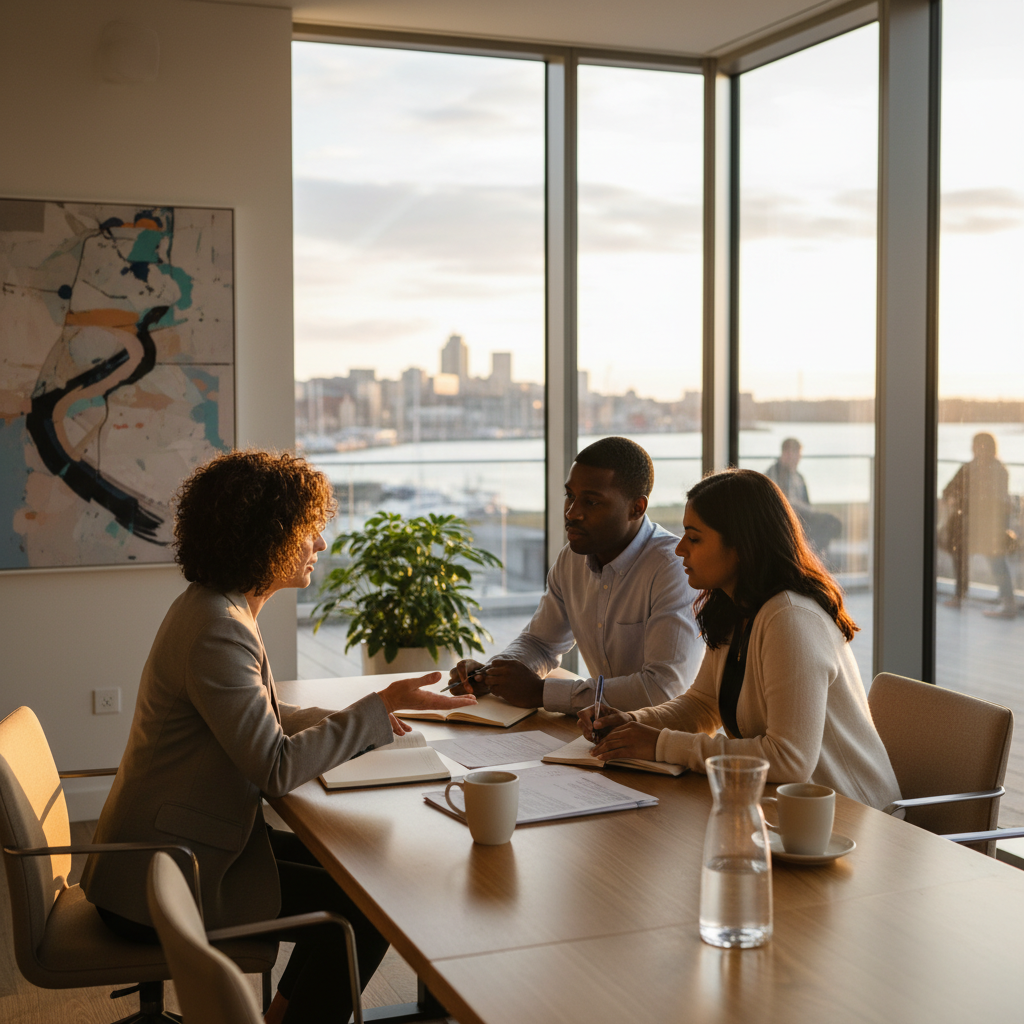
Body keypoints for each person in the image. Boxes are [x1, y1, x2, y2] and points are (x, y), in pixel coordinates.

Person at [80, 449, 477, 1024]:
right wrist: (372, 710)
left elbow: (264, 714)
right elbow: (274, 766)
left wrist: (375, 721)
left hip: (179, 845)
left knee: (364, 874)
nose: (320, 545)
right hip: (164, 874)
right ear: (267, 536)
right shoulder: (219, 626)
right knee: (362, 907)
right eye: (310, 530)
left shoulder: (218, 608)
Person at [579, 468, 900, 810]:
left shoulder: (790, 618)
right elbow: (703, 705)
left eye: (695, 537)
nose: (680, 549)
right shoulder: (736, 606)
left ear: (741, 546)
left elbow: (789, 759)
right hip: (788, 813)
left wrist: (660, 744)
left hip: (857, 819)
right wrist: (633, 723)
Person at [448, 436, 703, 714]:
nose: (572, 512)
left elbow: (663, 690)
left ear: (636, 508)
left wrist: (542, 693)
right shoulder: (571, 558)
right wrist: (492, 675)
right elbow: (541, 643)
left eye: (591, 502)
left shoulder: (673, 568)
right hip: (598, 734)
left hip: (662, 743)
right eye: (570, 495)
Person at [941, 431, 1017, 619]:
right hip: (973, 521)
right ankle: (1001, 600)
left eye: (982, 446)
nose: (978, 450)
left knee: (996, 560)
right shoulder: (972, 468)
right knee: (971, 557)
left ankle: (1007, 603)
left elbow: (996, 499)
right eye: (977, 446)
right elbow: (948, 490)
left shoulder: (994, 470)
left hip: (991, 521)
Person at [765, 437, 841, 560]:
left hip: (801, 516)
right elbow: (785, 503)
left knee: (830, 524)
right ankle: (812, 557)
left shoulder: (797, 476)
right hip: (789, 517)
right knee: (830, 523)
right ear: (787, 454)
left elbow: (805, 502)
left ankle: (812, 556)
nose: (798, 459)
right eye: (796, 455)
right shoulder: (775, 475)